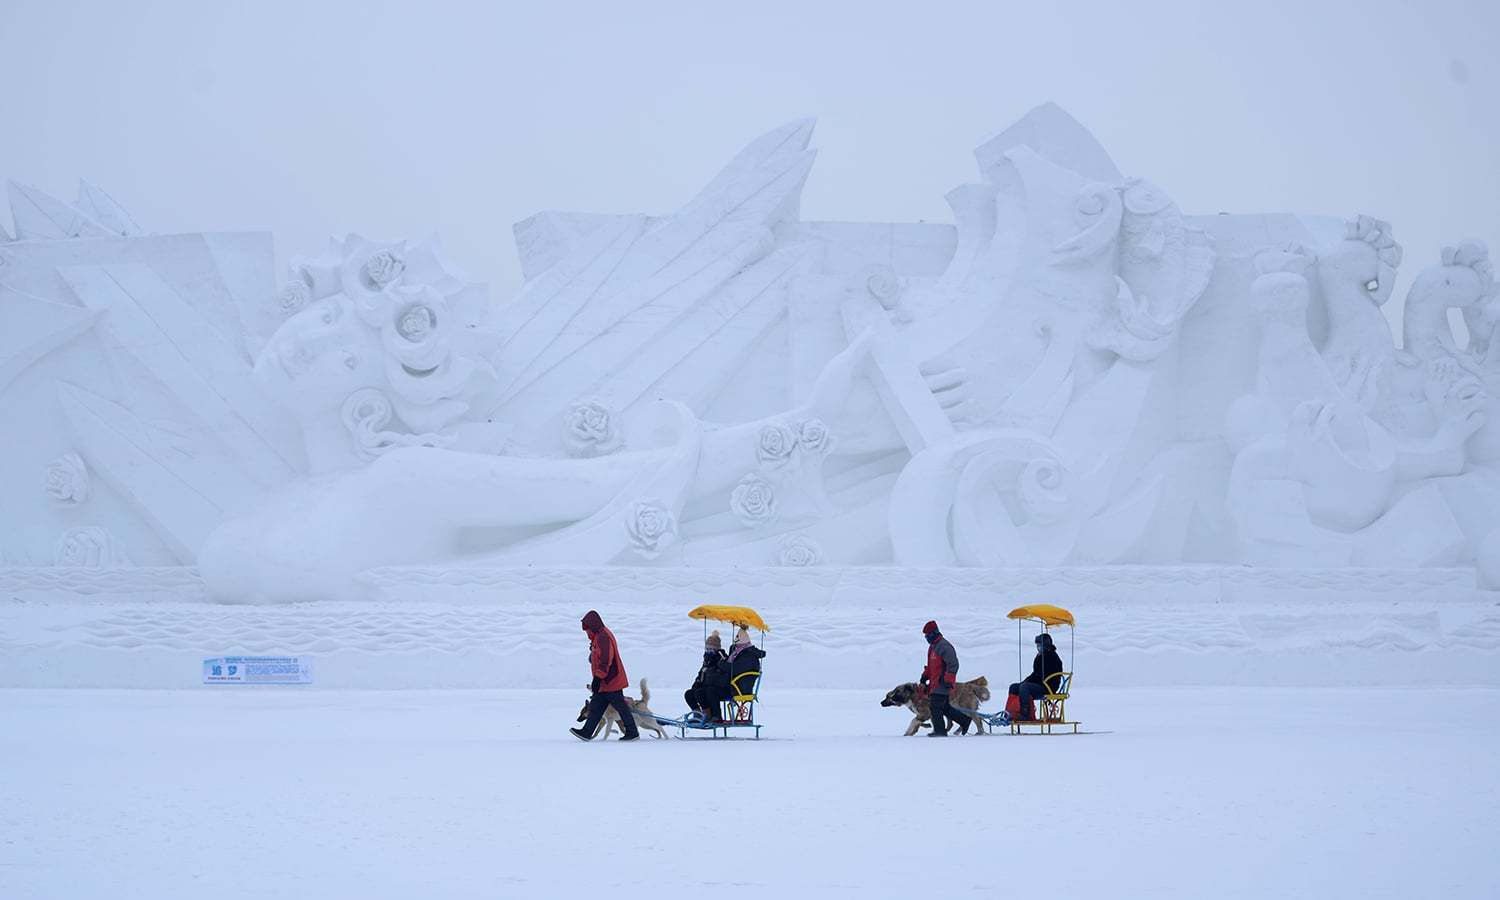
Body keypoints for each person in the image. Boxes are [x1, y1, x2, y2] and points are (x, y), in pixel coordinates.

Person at [571, 610, 640, 741]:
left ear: (592, 626)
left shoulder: (603, 637)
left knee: (621, 707)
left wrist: (597, 678)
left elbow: (605, 660)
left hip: (611, 680)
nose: (586, 633)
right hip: (604, 681)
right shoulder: (598, 636)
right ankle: (586, 732)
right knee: (596, 706)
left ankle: (632, 732)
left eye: (587, 629)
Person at [919, 620, 971, 737]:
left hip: (942, 683)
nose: (926, 638)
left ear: (934, 633)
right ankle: (964, 721)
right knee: (945, 708)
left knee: (935, 707)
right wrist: (924, 678)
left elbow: (953, 664)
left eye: (927, 635)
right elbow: (931, 666)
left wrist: (948, 679)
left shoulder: (944, 646)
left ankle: (940, 731)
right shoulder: (933, 647)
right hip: (934, 683)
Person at [1009, 632, 1064, 721]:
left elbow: (1042, 675)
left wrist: (1028, 682)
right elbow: (1036, 673)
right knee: (1014, 687)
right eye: (1037, 645)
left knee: (1024, 687)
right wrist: (1027, 680)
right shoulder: (1040, 656)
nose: (1038, 648)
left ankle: (1025, 714)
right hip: (1039, 684)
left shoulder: (1052, 657)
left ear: (1046, 645)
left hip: (1048, 687)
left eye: (1040, 645)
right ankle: (1012, 712)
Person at [685, 630, 731, 720]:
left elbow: (723, 677)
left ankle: (714, 715)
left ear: (716, 649)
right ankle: (698, 715)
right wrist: (697, 684)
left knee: (705, 692)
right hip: (707, 687)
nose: (708, 651)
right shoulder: (707, 660)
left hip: (721, 688)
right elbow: (701, 674)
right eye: (707, 649)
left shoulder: (722, 659)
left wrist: (707, 682)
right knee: (689, 694)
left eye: (711, 649)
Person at [726, 624, 766, 703]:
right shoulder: (742, 652)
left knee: (712, 691)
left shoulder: (748, 655)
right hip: (737, 686)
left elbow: (734, 669)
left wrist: (721, 664)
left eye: (738, 645)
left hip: (739, 689)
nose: (736, 647)